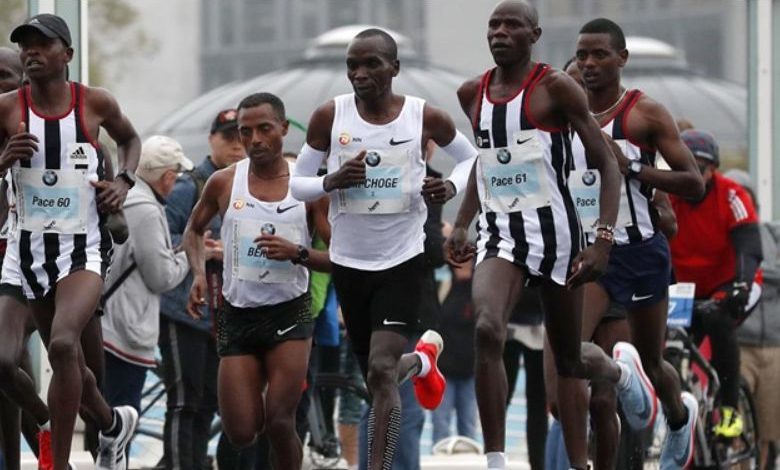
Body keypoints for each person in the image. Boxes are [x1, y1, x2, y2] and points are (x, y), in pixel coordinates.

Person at [443, 3, 660, 469]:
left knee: (569, 363)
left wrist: (602, 239)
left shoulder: (555, 87)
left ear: (534, 34)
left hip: (558, 235)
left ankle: (620, 376)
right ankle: (496, 458)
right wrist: (463, 221)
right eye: (493, 25)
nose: (499, 33)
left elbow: (606, 163)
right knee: (487, 327)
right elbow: (487, 161)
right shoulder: (471, 93)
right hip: (501, 234)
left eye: (511, 26)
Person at [290, 27, 476, 469]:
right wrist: (332, 181)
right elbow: (298, 184)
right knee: (380, 379)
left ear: (394, 68)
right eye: (353, 65)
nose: (360, 73)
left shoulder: (425, 117)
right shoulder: (328, 117)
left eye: (371, 63)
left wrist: (449, 185)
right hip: (349, 263)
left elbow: (472, 160)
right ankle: (422, 361)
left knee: (379, 371)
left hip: (402, 260)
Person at [1, 14, 141, 470]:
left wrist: (123, 181)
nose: (31, 53)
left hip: (81, 249)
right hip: (24, 251)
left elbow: (130, 139)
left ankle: (56, 462)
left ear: (68, 54)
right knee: (24, 362)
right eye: (25, 46)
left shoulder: (94, 103)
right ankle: (110, 424)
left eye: (42, 44)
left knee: (63, 345)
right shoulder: (7, 108)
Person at [563, 18, 704, 469]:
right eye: (582, 55)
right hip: (591, 254)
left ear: (621, 59)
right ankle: (623, 378)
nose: (588, 64)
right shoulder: (563, 117)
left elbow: (694, 184)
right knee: (569, 353)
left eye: (599, 55)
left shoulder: (645, 113)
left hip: (641, 252)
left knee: (655, 360)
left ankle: (681, 417)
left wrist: (634, 169)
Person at [184, 92, 330, 469]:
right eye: (245, 132)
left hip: (290, 315)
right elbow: (193, 231)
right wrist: (199, 274)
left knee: (280, 421)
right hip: (238, 314)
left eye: (265, 129)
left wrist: (296, 253)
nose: (255, 140)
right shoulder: (223, 182)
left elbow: (340, 259)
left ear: (283, 128)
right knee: (241, 431)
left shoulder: (308, 186)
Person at [159, 108, 244, 470]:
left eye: (243, 137)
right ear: (212, 140)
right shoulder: (190, 185)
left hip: (225, 312)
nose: (238, 146)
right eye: (229, 137)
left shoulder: (247, 184)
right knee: (184, 401)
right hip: (184, 310)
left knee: (211, 402)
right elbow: (162, 237)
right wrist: (203, 248)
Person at [670, 130, 763, 441]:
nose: (697, 174)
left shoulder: (732, 195)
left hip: (730, 280)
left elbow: (749, 246)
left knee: (718, 321)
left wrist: (741, 285)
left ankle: (729, 410)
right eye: (689, 165)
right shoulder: (666, 195)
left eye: (704, 167)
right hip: (686, 286)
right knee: (668, 338)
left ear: (714, 170)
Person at [100, 135, 193, 416]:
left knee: (101, 414)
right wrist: (190, 254)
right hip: (125, 330)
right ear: (166, 176)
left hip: (102, 324)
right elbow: (161, 277)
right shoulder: (147, 210)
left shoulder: (125, 197)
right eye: (176, 175)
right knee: (121, 417)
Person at [724, 169, 780, 470]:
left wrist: (752, 275)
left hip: (775, 345)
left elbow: (750, 275)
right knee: (737, 426)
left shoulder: (771, 233)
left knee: (768, 427)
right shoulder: (723, 239)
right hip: (739, 343)